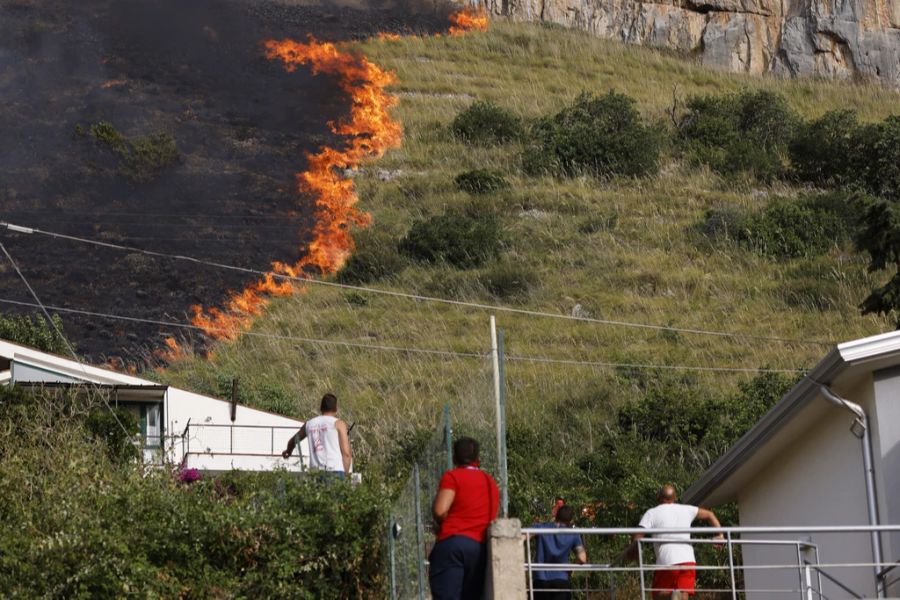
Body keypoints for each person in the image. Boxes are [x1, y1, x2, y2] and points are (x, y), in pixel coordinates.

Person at [620, 484, 723, 599]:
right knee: (683, 594)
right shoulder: (686, 509)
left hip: (667, 560)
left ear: (658, 498)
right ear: (675, 498)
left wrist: (633, 552)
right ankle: (675, 595)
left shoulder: (652, 512)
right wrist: (720, 535)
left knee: (658, 594)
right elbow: (710, 514)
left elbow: (638, 534)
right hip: (688, 560)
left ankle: (671, 595)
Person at [429, 437, 500, 600]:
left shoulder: (452, 476)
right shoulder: (491, 483)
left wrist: (442, 523)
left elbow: (440, 510)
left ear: (454, 458)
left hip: (452, 544)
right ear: (478, 459)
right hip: (478, 549)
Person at [281, 393, 352, 476]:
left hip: (315, 473)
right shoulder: (339, 424)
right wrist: (345, 476)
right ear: (335, 408)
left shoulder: (309, 424)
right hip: (335, 471)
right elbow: (346, 454)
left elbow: (293, 441)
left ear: (321, 407)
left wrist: (288, 451)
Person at [530, 504, 588, 600]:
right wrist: (571, 569)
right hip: (561, 580)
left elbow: (522, 537)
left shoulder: (540, 528)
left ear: (556, 516)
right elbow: (582, 558)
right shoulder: (573, 534)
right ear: (570, 521)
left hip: (540, 580)